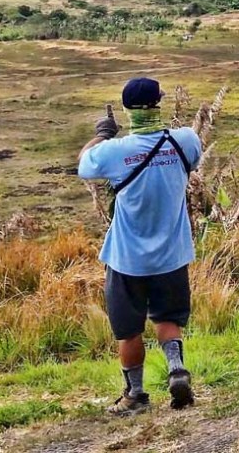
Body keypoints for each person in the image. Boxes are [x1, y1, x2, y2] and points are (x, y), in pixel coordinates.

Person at [78, 77, 203, 415]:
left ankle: (135, 395)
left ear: (126, 109)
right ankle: (177, 369)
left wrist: (104, 133)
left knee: (129, 329)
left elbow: (84, 163)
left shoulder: (113, 151)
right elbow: (190, 163)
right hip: (172, 254)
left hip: (126, 258)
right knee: (168, 318)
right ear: (159, 103)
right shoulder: (185, 141)